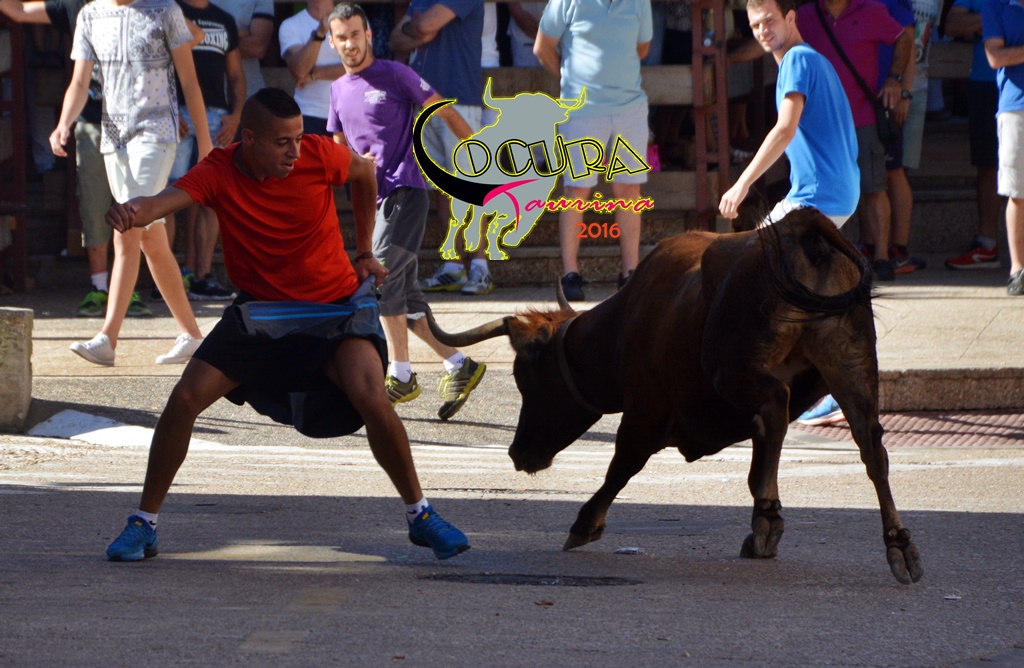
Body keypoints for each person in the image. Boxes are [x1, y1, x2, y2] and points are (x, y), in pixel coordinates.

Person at [102, 87, 471, 562]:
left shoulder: (317, 153)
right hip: (264, 314)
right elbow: (160, 203)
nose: (294, 152)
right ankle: (144, 523)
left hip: (335, 309)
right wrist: (132, 211)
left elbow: (363, 172)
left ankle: (420, 515)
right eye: (282, 142)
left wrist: (364, 250)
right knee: (185, 399)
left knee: (372, 395)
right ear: (249, 139)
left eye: (298, 138)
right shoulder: (218, 170)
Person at [326, 3, 487, 420]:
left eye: (356, 34)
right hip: (374, 204)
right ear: (332, 42)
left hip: (406, 192)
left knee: (379, 281)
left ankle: (400, 374)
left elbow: (443, 108)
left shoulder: (396, 74)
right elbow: (339, 150)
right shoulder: (337, 90)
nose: (350, 43)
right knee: (404, 296)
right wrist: (353, 166)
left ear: (369, 35)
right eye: (342, 37)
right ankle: (458, 363)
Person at [51, 0, 210, 366]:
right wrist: (63, 124)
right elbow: (80, 81)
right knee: (151, 239)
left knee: (127, 228)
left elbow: (189, 81)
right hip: (114, 139)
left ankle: (107, 338)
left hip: (157, 134)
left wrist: (205, 143)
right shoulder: (90, 14)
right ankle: (192, 335)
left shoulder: (165, 9)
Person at [0, 0, 150, 318]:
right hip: (93, 120)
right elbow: (19, 11)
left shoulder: (149, 6)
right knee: (94, 205)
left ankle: (129, 289)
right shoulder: (79, 6)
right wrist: (64, 125)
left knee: (135, 207)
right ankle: (99, 288)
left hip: (141, 124)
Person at [534, 0, 653, 301]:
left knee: (629, 188)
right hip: (581, 110)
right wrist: (571, 82)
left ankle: (630, 273)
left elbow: (642, 48)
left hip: (629, 108)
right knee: (576, 189)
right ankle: (570, 274)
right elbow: (542, 47)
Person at [797, 0, 913, 281]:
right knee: (823, 191)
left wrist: (895, 79)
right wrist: (730, 56)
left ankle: (882, 258)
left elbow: (904, 37)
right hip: (821, 123)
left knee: (874, 187)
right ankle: (830, 257)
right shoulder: (804, 15)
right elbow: (776, 41)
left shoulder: (870, 9)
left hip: (862, 117)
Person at [719, 0, 859, 229]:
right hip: (841, 196)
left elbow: (785, 129)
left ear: (790, 18)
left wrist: (741, 184)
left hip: (816, 197)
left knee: (757, 248)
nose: (763, 31)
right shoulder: (816, 59)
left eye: (769, 21)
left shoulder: (796, 59)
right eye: (755, 26)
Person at [389, 0, 496, 296]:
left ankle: (480, 267)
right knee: (441, 188)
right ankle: (453, 267)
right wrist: (420, 31)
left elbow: (424, 26)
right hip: (423, 100)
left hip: (460, 100)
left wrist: (417, 28)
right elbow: (395, 41)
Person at [165, 0, 245, 301]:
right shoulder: (169, 10)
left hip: (217, 117)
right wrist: (168, 109)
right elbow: (156, 65)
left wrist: (237, 115)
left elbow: (235, 75)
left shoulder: (224, 19)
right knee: (167, 197)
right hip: (176, 115)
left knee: (212, 196)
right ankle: (167, 279)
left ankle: (202, 277)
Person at [944, 0, 1004, 270]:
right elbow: (952, 25)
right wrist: (996, 17)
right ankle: (987, 245)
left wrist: (985, 23)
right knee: (988, 164)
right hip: (985, 81)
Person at [877, 0, 933, 275]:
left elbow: (908, 41)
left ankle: (898, 250)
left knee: (894, 171)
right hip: (862, 97)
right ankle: (872, 246)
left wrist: (905, 93)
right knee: (869, 175)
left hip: (890, 97)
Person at [982, 0, 1024, 294]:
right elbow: (995, 56)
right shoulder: (994, 3)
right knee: (1018, 191)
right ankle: (1018, 270)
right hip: (1016, 106)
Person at [278, 0, 345, 136]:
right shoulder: (290, 25)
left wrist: (314, 74)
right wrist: (320, 32)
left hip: (348, 116)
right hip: (308, 116)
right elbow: (300, 70)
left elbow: (362, 66)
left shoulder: (354, 20)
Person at [211, 0, 274, 99]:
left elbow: (257, 47)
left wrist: (207, 38)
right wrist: (235, 34)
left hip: (249, 97)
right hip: (201, 97)